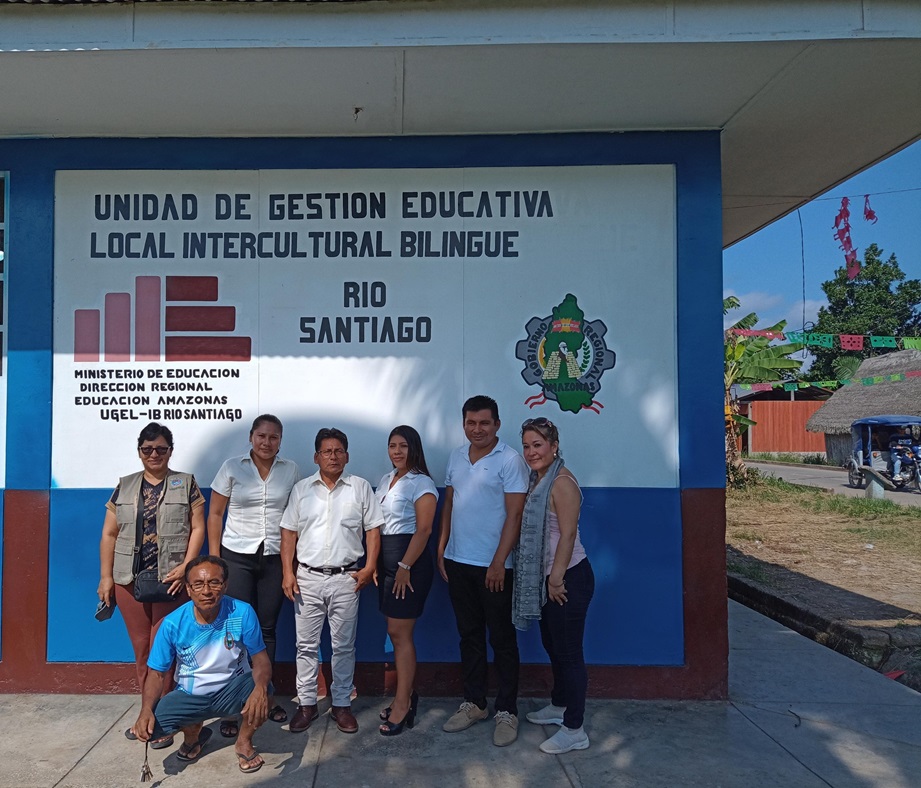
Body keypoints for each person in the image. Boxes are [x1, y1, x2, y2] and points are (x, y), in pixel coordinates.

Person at [97, 421, 206, 749]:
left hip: (170, 582)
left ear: (170, 451)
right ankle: (149, 715)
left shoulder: (186, 484)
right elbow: (110, 534)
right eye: (148, 449)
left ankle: (164, 719)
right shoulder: (125, 486)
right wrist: (106, 577)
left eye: (161, 448)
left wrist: (186, 567)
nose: (154, 454)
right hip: (129, 582)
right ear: (139, 451)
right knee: (142, 651)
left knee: (166, 652)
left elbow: (197, 527)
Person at [437, 395, 529, 747]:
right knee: (469, 636)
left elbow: (515, 515)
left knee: (502, 640)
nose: (477, 429)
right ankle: (474, 703)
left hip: (495, 568)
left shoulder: (509, 461)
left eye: (485, 423)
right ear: (464, 424)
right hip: (459, 564)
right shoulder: (456, 457)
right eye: (471, 423)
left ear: (497, 425)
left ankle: (507, 711)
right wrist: (443, 548)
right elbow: (450, 504)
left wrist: (498, 562)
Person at [280, 427, 383, 734]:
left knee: (343, 646)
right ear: (316, 456)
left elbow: (373, 530)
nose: (333, 457)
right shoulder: (301, 489)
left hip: (347, 579)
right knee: (306, 646)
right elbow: (288, 532)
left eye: (339, 451)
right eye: (327, 451)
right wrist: (288, 571)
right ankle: (307, 705)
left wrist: (369, 567)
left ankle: (341, 705)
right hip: (307, 578)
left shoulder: (361, 488)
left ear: (347, 456)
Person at [131, 555, 272, 774]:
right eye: (198, 584)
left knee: (266, 692)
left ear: (224, 586)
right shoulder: (172, 624)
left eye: (214, 583)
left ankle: (243, 742)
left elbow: (261, 659)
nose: (206, 591)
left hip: (231, 690)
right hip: (191, 694)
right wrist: (145, 710)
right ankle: (193, 736)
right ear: (188, 589)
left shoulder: (242, 612)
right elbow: (157, 674)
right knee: (152, 731)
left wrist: (260, 689)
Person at [207, 414, 300, 734]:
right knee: (234, 630)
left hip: (274, 558)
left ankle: (266, 697)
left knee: (267, 629)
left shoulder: (290, 470)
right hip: (237, 557)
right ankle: (232, 707)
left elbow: (294, 516)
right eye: (261, 436)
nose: (266, 442)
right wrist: (216, 560)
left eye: (273, 437)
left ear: (280, 441)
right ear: (251, 437)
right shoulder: (232, 468)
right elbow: (215, 514)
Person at [518, 417, 595, 754]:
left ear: (554, 446)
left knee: (569, 653)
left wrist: (556, 578)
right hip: (550, 579)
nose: (532, 452)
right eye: (527, 446)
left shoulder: (562, 482)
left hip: (567, 579)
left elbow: (567, 535)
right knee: (553, 645)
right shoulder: (540, 480)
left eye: (538, 445)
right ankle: (560, 704)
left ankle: (575, 728)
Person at [375, 426, 438, 736]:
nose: (397, 451)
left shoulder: (422, 483)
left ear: (414, 449)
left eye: (403, 446)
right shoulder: (386, 480)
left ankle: (403, 704)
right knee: (393, 631)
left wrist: (404, 566)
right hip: (387, 563)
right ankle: (407, 696)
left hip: (407, 564)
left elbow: (424, 530)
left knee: (401, 634)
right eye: (392, 446)